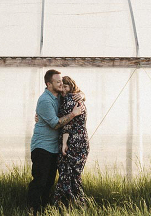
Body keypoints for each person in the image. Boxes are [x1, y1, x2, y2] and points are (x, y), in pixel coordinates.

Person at [27, 69, 83, 213]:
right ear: (48, 84)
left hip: (53, 147)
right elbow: (55, 124)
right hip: (42, 147)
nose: (61, 83)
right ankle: (32, 209)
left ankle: (43, 209)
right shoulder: (45, 100)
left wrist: (82, 95)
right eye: (58, 82)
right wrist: (73, 114)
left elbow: (75, 94)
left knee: (49, 181)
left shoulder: (58, 96)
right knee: (40, 180)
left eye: (61, 82)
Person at [51, 75, 89, 206]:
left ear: (71, 86)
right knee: (74, 174)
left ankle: (59, 203)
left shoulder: (68, 100)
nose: (63, 90)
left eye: (65, 86)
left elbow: (68, 125)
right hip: (83, 140)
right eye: (62, 87)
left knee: (66, 173)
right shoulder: (79, 99)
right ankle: (78, 203)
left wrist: (64, 144)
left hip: (72, 140)